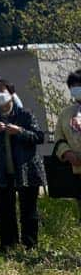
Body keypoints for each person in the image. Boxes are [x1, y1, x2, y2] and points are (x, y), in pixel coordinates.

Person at [0, 78, 46, 251]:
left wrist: (20, 131)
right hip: (1, 171)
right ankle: (8, 244)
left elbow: (39, 137)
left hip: (26, 169)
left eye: (2, 90)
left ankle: (30, 244)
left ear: (12, 93)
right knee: (5, 210)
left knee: (29, 210)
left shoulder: (25, 114)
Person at [52, 69, 81, 210]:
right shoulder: (66, 113)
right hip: (77, 169)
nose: (76, 90)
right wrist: (67, 152)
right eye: (73, 87)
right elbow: (58, 137)